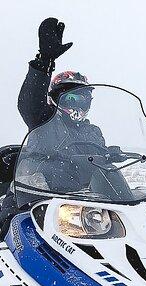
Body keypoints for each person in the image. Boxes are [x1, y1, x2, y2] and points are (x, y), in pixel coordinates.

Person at [0, 18, 108, 238]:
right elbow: (29, 103)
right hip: (32, 198)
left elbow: (99, 163)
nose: (78, 105)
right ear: (55, 99)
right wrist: (44, 62)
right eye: (72, 99)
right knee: (11, 232)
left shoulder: (93, 132)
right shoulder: (43, 120)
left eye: (84, 99)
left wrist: (112, 157)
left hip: (77, 205)